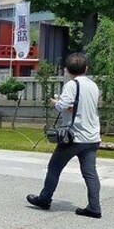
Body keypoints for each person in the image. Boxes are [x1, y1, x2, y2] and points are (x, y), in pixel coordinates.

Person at [27, 52, 102, 218]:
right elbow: (83, 107)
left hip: (74, 136)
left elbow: (63, 106)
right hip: (92, 136)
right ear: (86, 68)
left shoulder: (72, 85)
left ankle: (45, 199)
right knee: (90, 172)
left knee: (54, 167)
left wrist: (55, 102)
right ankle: (94, 206)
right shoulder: (93, 85)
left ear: (67, 70)